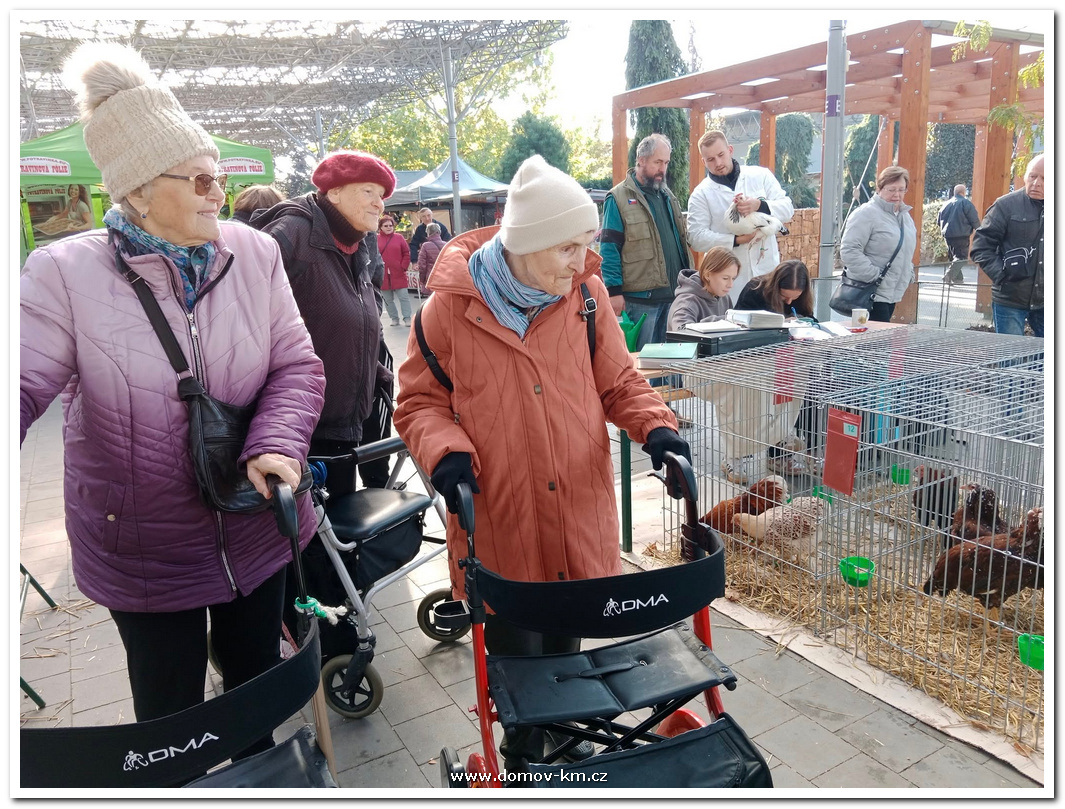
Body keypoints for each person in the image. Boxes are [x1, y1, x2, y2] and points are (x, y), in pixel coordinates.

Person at [19, 42, 325, 760]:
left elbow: (296, 364)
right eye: (199, 179)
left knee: (257, 693)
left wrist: (276, 444)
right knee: (170, 721)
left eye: (219, 175)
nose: (217, 192)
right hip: (143, 549)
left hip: (254, 522)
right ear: (136, 190)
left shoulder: (254, 253)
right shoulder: (63, 273)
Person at [394, 154, 690, 773]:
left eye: (587, 244)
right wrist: (445, 454)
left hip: (576, 504)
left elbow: (618, 382)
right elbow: (419, 402)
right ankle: (524, 756)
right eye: (568, 247)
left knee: (569, 641)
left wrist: (657, 428)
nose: (584, 261)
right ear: (525, 243)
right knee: (516, 655)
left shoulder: (586, 297)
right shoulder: (447, 310)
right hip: (500, 515)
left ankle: (570, 738)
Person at [253, 150, 396, 497]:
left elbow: (352, 307)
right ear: (334, 192)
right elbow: (244, 314)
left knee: (342, 520)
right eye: (368, 191)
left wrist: (367, 362)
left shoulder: (356, 242)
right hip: (299, 430)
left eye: (381, 195)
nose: (378, 204)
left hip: (344, 421)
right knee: (316, 527)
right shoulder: (292, 232)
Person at [600, 133, 694, 348]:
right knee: (642, 362)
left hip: (674, 298)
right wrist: (614, 292)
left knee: (669, 363)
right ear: (641, 160)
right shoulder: (618, 198)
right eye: (657, 162)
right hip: (641, 301)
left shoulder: (668, 196)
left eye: (666, 163)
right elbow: (609, 249)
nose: (663, 169)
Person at [686, 130, 794, 292]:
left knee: (767, 307)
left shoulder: (760, 175)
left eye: (721, 155)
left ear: (730, 150)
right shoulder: (700, 194)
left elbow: (787, 209)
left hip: (767, 271)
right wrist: (735, 240)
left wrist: (760, 205)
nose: (718, 163)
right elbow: (696, 237)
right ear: (703, 161)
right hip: (729, 283)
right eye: (710, 159)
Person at [970, 155, 1044, 337]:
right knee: (1009, 352)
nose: (1036, 183)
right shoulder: (1005, 205)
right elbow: (981, 246)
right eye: (1032, 176)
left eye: (1044, 178)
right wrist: (1002, 275)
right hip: (1010, 298)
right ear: (1024, 176)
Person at [838, 165, 917, 323]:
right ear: (879, 188)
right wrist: (874, 276)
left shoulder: (904, 217)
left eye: (901, 190)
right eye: (891, 189)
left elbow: (905, 250)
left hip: (892, 292)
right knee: (875, 337)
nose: (897, 194)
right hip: (870, 292)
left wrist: (908, 272)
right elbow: (849, 250)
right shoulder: (865, 214)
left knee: (881, 336)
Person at [666, 246, 740, 331]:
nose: (730, 285)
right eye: (725, 278)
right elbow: (681, 332)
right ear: (707, 275)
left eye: (733, 278)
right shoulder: (687, 301)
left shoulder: (725, 298)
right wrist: (723, 322)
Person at [733, 258, 814, 319]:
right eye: (783, 296)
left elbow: (810, 318)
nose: (789, 302)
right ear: (775, 286)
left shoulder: (803, 298)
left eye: (795, 297)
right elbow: (740, 320)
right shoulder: (754, 290)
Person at [937, 184, 981, 285]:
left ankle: (958, 279)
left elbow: (938, 221)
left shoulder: (945, 204)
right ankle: (949, 275)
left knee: (954, 257)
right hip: (961, 234)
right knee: (961, 258)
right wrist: (980, 231)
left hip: (947, 235)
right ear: (964, 193)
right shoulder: (966, 203)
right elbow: (974, 219)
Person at [377, 213, 413, 326]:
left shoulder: (399, 238)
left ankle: (407, 318)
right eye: (386, 226)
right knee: (388, 300)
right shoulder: (376, 239)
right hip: (383, 274)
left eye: (390, 225)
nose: (389, 227)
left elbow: (406, 253)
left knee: (404, 297)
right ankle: (394, 318)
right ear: (380, 227)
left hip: (398, 273)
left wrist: (403, 266)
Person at [416, 221, 446, 296]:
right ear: (439, 232)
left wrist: (422, 280)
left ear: (428, 233)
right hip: (445, 278)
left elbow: (422, 265)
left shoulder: (425, 246)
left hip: (431, 278)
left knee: (432, 300)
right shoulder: (446, 245)